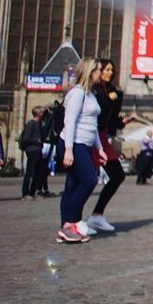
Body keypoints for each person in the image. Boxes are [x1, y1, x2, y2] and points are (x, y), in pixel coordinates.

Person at [57, 58, 105, 243]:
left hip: (84, 143)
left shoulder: (90, 94)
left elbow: (92, 126)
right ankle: (71, 223)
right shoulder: (77, 93)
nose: (101, 73)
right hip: (73, 143)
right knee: (89, 180)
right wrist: (68, 149)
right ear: (90, 71)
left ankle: (67, 228)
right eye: (99, 69)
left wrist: (99, 148)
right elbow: (70, 121)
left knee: (72, 186)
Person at [86, 58, 128, 234]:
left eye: (112, 70)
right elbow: (95, 111)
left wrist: (121, 122)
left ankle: (96, 215)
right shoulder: (93, 89)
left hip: (103, 136)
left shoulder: (113, 91)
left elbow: (111, 119)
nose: (110, 73)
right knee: (85, 180)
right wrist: (108, 99)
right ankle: (72, 221)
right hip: (91, 136)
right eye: (106, 69)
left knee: (117, 175)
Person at [18, 106, 46, 200]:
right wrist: (37, 140)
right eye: (41, 112)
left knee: (38, 172)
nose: (43, 113)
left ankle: (32, 192)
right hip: (32, 150)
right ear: (37, 113)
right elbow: (26, 138)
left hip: (38, 150)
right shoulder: (31, 123)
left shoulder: (39, 124)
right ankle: (25, 194)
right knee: (29, 172)